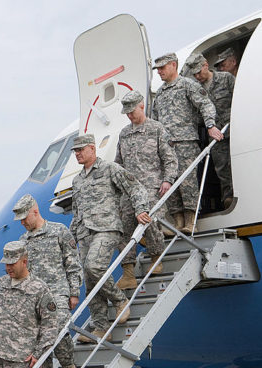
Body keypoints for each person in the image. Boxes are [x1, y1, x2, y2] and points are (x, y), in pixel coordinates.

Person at [69, 133, 148, 342]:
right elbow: (77, 212)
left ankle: (119, 300)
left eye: (80, 150)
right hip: (85, 232)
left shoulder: (109, 169)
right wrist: (71, 238)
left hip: (107, 228)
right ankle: (101, 328)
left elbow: (135, 187)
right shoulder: (76, 181)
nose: (77, 154)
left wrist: (140, 209)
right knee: (89, 280)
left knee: (94, 267)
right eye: (75, 151)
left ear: (92, 149)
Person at [12, 195, 82, 368]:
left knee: (57, 328)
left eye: (25, 218)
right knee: (36, 343)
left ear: (35, 211)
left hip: (58, 294)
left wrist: (74, 292)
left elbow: (72, 262)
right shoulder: (23, 243)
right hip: (34, 300)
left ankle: (69, 366)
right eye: (20, 220)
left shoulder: (59, 231)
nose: (23, 222)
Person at [151, 52, 223, 234]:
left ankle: (191, 221)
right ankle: (178, 221)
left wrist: (210, 126)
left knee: (187, 182)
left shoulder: (187, 85)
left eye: (162, 67)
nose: (159, 72)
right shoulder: (159, 94)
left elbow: (205, 105)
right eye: (157, 69)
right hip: (166, 147)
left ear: (173, 65)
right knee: (169, 184)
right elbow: (154, 122)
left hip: (185, 142)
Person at [115, 90, 179, 289]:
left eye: (132, 111)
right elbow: (118, 163)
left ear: (141, 105)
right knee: (123, 228)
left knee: (148, 221)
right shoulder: (124, 134)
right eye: (126, 113)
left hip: (151, 187)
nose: (129, 116)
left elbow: (170, 159)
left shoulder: (157, 129)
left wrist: (168, 180)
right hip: (129, 190)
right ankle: (128, 273)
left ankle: (156, 257)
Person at [185, 53, 236, 209]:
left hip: (234, 130)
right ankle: (228, 198)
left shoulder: (226, 78)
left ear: (206, 65)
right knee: (222, 168)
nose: (198, 76)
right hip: (216, 136)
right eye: (194, 74)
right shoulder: (196, 89)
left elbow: (239, 99)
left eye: (199, 72)